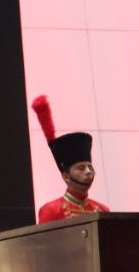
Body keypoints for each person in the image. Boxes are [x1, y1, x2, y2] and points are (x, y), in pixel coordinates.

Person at [31, 95, 109, 223]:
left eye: (90, 167)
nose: (88, 171)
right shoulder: (51, 210)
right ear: (66, 176)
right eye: (81, 168)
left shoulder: (102, 210)